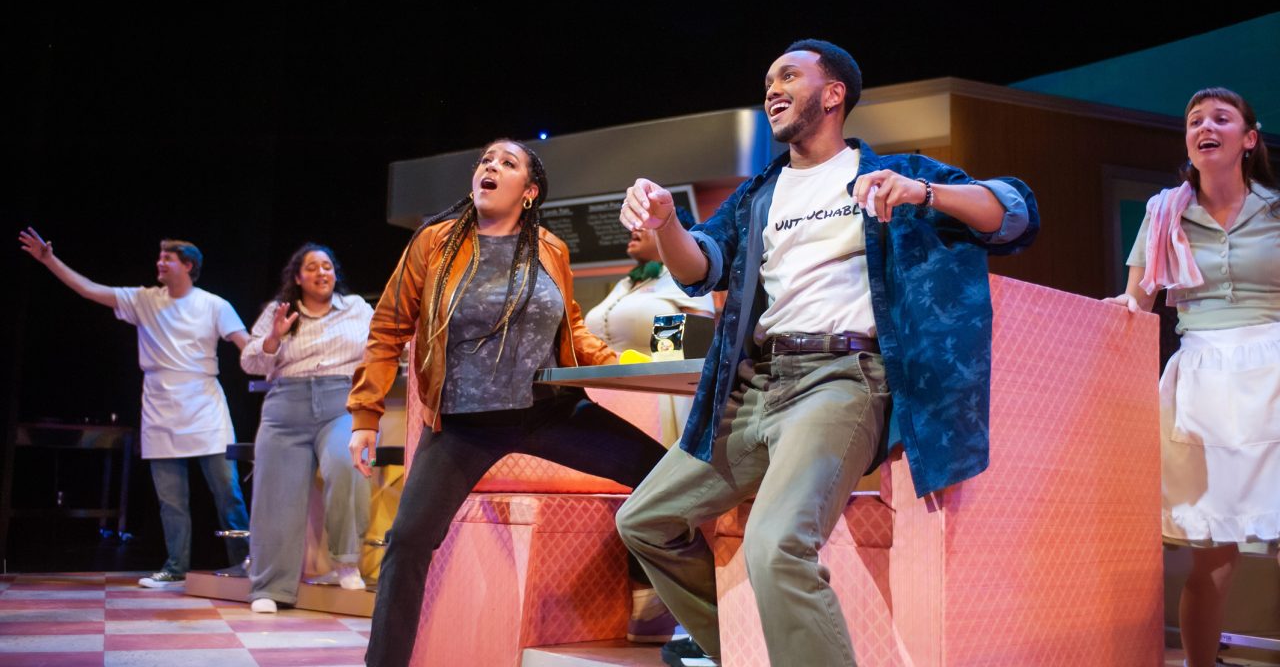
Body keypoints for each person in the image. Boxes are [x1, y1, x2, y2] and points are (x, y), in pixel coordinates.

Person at [615, 39, 1038, 667]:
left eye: (789, 75)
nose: (772, 88)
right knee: (644, 520)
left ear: (834, 93)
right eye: (767, 81)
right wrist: (665, 225)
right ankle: (737, 649)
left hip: (842, 380)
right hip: (756, 386)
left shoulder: (889, 173)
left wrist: (924, 194)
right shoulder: (761, 193)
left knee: (777, 541)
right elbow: (701, 267)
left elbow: (1013, 213)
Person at [346, 138, 670, 667]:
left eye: (507, 162)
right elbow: (387, 328)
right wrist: (366, 415)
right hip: (463, 424)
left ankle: (683, 618)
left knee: (664, 474)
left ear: (530, 190)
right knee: (407, 541)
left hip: (550, 410)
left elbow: (573, 329)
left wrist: (624, 366)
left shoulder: (550, 249)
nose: (490, 167)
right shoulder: (436, 242)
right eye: (485, 161)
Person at [1104, 87, 1278, 667]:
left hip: (1274, 370)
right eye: (1194, 120)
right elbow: (1134, 308)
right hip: (1204, 378)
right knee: (1213, 551)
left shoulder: (1276, 212)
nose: (1205, 126)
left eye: (1221, 119)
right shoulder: (1164, 214)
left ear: (1248, 140)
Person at [18, 231, 251, 588]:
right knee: (171, 500)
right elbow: (89, 289)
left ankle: (246, 568)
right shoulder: (144, 300)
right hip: (160, 405)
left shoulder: (214, 304)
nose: (159, 263)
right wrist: (49, 259)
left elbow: (246, 346)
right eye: (159, 257)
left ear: (188, 265)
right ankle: (175, 568)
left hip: (204, 405)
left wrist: (272, 351)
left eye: (168, 258)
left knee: (227, 492)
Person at [240, 243, 374, 613]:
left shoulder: (357, 309)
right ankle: (271, 587)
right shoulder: (279, 312)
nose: (321, 272)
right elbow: (250, 362)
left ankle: (345, 561)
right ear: (298, 277)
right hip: (286, 407)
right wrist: (274, 338)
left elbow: (382, 346)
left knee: (349, 463)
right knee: (275, 496)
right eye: (312, 267)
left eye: (327, 266)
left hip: (340, 401)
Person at [584, 207, 716, 446]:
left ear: (674, 234)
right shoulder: (626, 282)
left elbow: (698, 345)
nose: (633, 229)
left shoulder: (685, 277)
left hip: (659, 398)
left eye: (645, 223)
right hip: (604, 393)